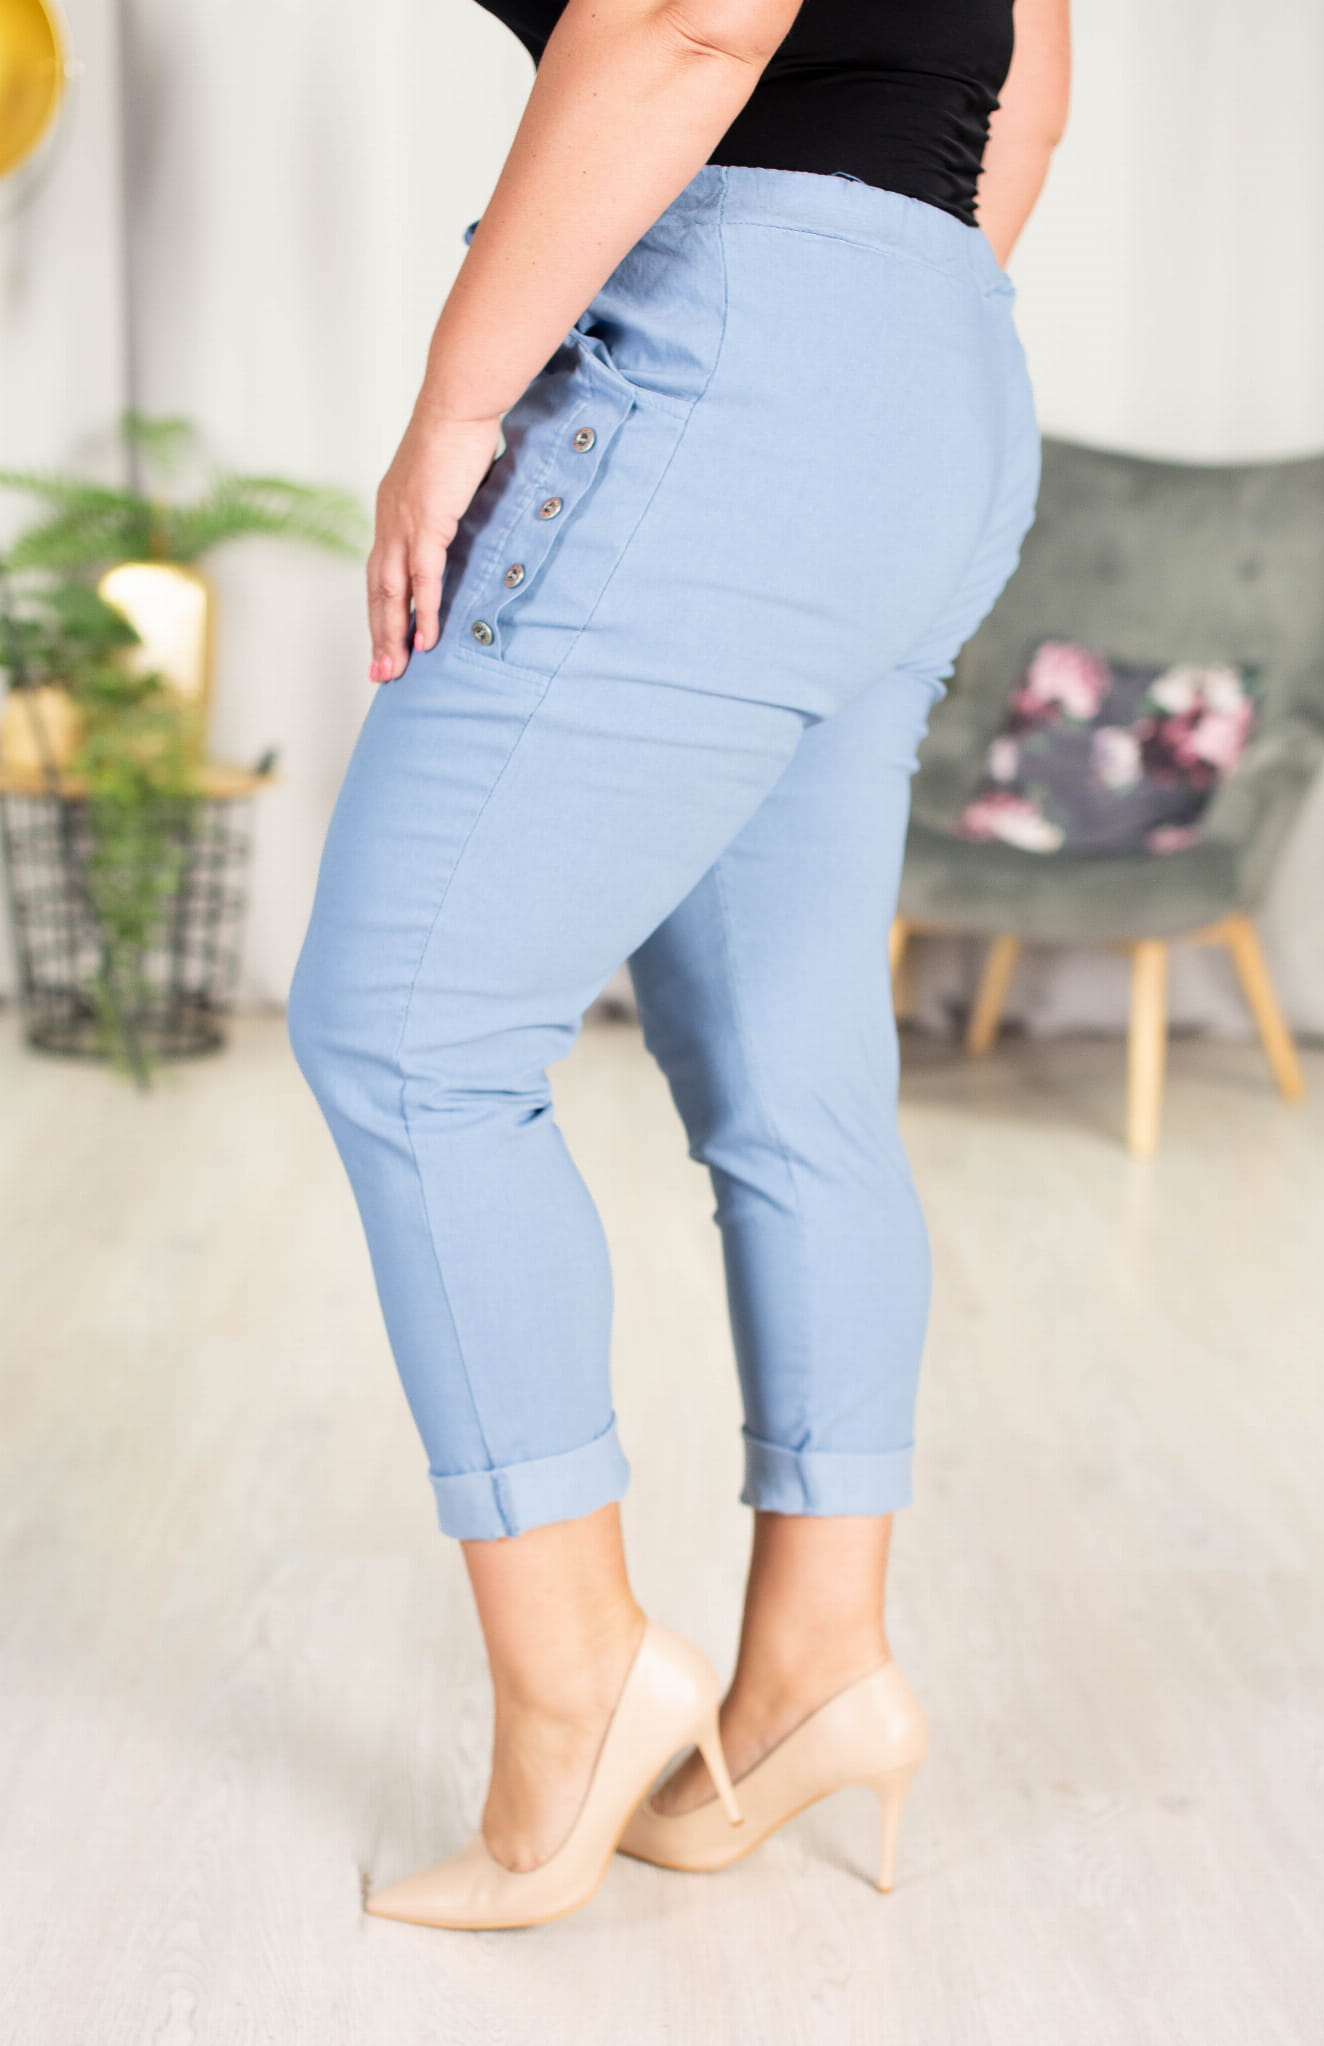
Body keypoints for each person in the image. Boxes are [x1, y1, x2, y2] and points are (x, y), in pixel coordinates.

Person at [288, 0, 1069, 1931]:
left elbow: (689, 18)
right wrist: (866, 344)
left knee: (407, 1027)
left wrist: (458, 405)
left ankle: (578, 1684)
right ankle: (816, 1667)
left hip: (745, 345)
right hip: (934, 361)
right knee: (793, 1069)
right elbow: (1028, 88)